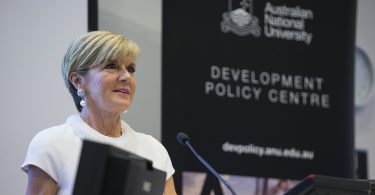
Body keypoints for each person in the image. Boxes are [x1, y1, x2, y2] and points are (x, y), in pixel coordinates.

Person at [21, 31, 177, 195]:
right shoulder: (53, 143)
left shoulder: (153, 149)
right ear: (78, 81)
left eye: (130, 69)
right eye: (111, 66)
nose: (126, 77)